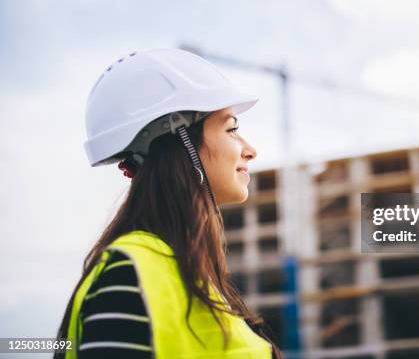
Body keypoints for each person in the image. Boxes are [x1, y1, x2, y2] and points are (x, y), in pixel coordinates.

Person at [54, 48, 281, 358]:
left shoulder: (192, 276)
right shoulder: (129, 273)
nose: (250, 150)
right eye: (231, 129)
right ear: (180, 139)